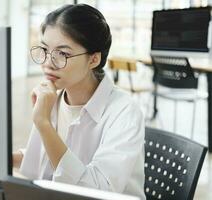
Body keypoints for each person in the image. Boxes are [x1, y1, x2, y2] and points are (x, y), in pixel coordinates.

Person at [13, 4, 145, 199]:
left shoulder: (125, 111)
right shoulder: (53, 97)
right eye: (44, 49)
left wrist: (43, 123)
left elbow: (97, 191)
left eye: (63, 54)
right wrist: (10, 158)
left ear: (93, 60)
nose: (48, 63)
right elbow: (49, 156)